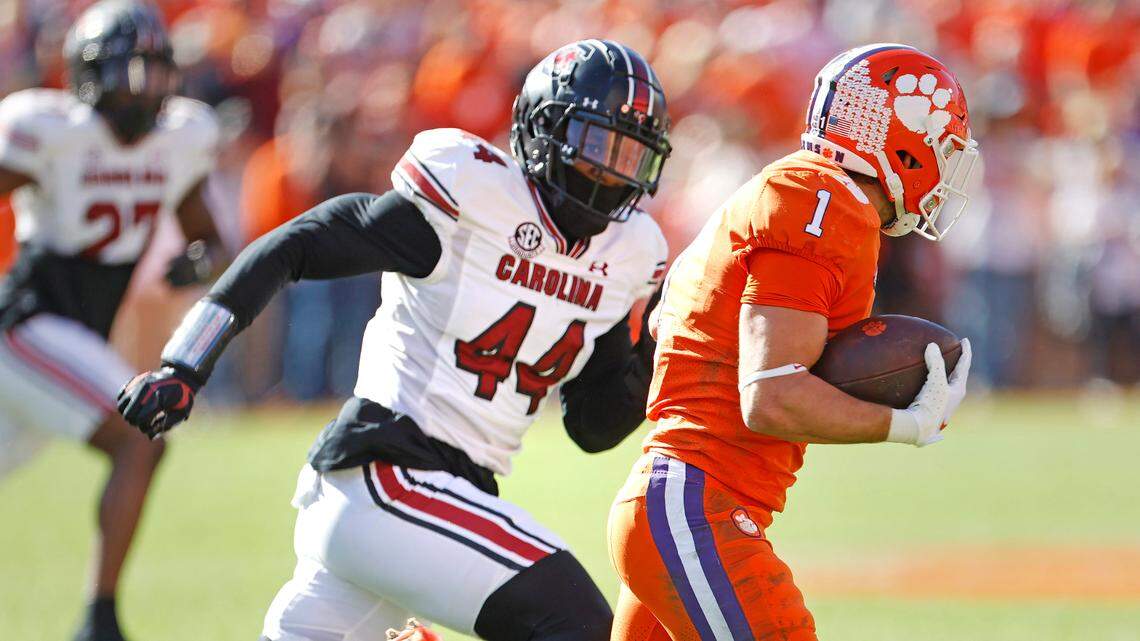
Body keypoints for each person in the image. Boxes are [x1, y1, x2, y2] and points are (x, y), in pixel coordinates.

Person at [118, 39, 671, 641]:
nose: (611, 172)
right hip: (388, 472)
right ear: (543, 128)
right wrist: (185, 363)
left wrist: (657, 350)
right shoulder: (474, 196)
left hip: (433, 502)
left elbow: (593, 426)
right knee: (580, 625)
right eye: (596, 145)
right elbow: (299, 243)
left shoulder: (627, 254)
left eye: (629, 156)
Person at [607, 43, 980, 641]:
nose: (943, 163)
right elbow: (772, 396)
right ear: (899, 137)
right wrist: (906, 422)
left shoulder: (806, 193)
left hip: (681, 504)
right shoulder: (821, 201)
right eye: (939, 143)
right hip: (695, 507)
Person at [0, 2, 221, 640]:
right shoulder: (53, 131)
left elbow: (212, 238)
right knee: (141, 435)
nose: (147, 88)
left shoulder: (180, 138)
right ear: (91, 76)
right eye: (132, 72)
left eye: (156, 72)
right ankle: (100, 620)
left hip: (72, 337)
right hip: (28, 323)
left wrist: (199, 263)